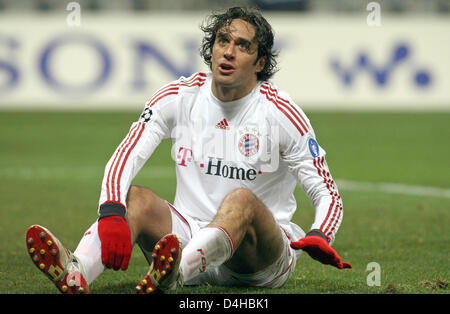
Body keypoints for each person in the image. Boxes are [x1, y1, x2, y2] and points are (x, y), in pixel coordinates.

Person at [25, 6, 351, 294]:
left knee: (241, 200)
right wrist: (111, 211)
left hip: (258, 260)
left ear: (260, 62)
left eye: (242, 46)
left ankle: (175, 273)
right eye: (223, 41)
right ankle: (77, 271)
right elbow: (127, 154)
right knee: (134, 197)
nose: (229, 52)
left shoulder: (280, 113)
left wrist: (321, 234)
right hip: (186, 236)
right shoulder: (179, 96)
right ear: (211, 49)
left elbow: (326, 192)